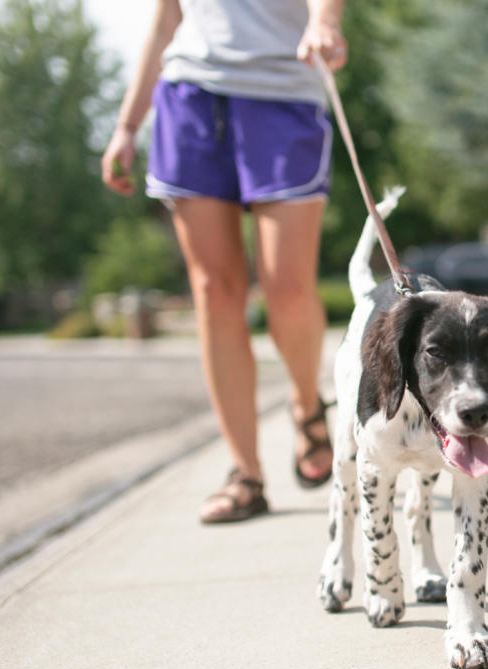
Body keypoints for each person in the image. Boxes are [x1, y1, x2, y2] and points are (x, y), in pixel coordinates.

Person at [101, 0, 347, 524]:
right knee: (214, 293)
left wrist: (324, 21)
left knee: (288, 290)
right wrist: (127, 125)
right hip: (189, 97)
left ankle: (307, 405)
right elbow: (166, 20)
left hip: (282, 93)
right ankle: (246, 474)